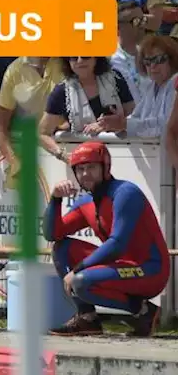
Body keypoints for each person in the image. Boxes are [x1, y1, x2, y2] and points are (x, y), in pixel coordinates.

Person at [44, 142, 170, 337]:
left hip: (151, 269)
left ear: (106, 168)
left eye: (92, 167)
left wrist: (77, 270)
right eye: (80, 169)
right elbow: (53, 234)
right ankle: (87, 319)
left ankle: (145, 312)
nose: (85, 174)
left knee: (81, 281)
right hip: (121, 264)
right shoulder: (86, 201)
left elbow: (117, 244)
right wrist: (55, 199)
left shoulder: (125, 193)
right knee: (62, 248)